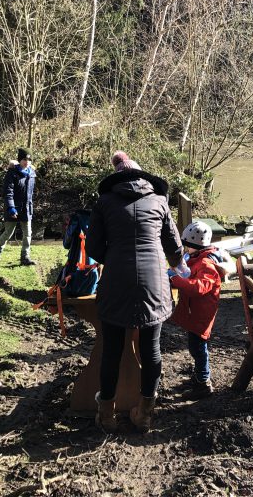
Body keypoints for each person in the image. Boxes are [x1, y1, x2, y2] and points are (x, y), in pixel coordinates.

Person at [85, 151, 183, 433]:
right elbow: (174, 249)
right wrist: (175, 265)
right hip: (154, 281)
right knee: (151, 348)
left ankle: (106, 414)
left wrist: (114, 257)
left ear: (116, 177)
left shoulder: (103, 203)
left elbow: (92, 249)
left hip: (116, 279)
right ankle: (144, 414)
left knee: (111, 348)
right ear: (141, 175)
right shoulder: (159, 201)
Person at [168, 221, 224, 399]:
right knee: (196, 347)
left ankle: (203, 383)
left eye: (187, 247)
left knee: (198, 349)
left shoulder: (207, 265)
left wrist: (176, 280)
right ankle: (199, 376)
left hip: (202, 315)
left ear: (196, 247)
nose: (185, 250)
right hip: (196, 313)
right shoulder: (196, 259)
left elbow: (199, 287)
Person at [0, 148, 36, 265]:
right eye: (24, 159)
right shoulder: (11, 173)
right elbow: (8, 192)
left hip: (27, 208)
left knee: (28, 233)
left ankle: (25, 257)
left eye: (29, 159)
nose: (27, 162)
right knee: (8, 233)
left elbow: (30, 194)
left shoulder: (32, 174)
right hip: (13, 208)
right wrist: (11, 207)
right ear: (19, 160)